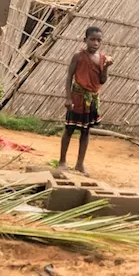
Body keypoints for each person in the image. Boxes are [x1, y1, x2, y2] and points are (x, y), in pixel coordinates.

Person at [58, 26, 113, 174]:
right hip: (77, 97)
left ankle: (79, 163)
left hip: (92, 99)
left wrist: (106, 67)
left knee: (85, 131)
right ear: (85, 40)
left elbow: (102, 80)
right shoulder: (78, 56)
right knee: (69, 129)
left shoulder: (102, 59)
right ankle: (62, 161)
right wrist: (68, 98)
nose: (95, 43)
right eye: (92, 39)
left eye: (98, 40)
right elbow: (69, 76)